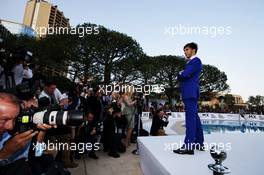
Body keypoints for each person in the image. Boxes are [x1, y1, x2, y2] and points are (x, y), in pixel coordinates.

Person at [173, 42, 204, 155]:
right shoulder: (192, 62)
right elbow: (186, 74)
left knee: (190, 119)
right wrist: (183, 74)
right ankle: (199, 143)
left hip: (190, 92)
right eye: (184, 50)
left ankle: (188, 146)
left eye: (187, 49)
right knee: (194, 117)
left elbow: (184, 75)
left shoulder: (195, 61)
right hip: (191, 92)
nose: (185, 52)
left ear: (193, 50)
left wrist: (180, 74)